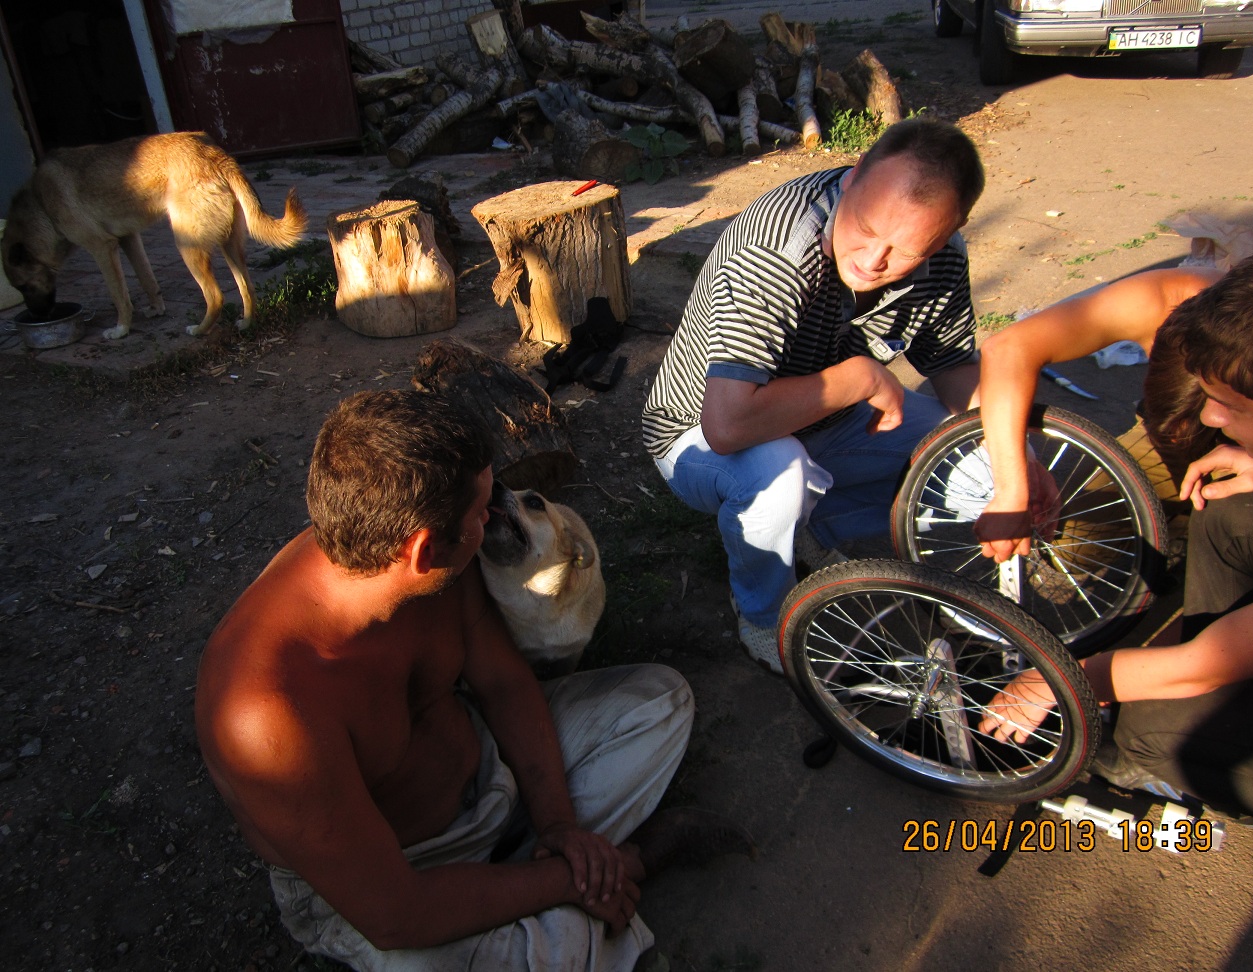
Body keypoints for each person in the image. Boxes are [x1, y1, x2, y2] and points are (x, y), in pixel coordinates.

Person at [195, 389, 722, 972]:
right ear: (422, 550)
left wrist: (558, 825)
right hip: (401, 877)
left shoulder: (417, 555)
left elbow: (504, 687)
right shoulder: (266, 715)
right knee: (488, 952)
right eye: (480, 514)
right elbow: (396, 914)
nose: (490, 519)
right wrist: (567, 878)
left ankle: (547, 883)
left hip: (490, 776)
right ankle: (619, 870)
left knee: (659, 701)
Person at [641, 118, 986, 672]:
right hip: (696, 432)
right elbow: (726, 427)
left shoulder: (944, 257)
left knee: (981, 461)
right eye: (866, 227)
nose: (873, 260)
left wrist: (1009, 458)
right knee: (778, 476)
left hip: (825, 421)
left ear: (947, 233)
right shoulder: (777, 247)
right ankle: (763, 614)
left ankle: (808, 530)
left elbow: (954, 370)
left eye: (905, 250)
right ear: (852, 177)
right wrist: (858, 379)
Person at [979, 234, 1253, 828]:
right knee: (1229, 509)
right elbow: (1009, 347)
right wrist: (1013, 483)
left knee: (1155, 726)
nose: (1212, 417)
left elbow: (1208, 662)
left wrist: (1062, 682)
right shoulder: (1212, 309)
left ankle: (1207, 763)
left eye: (1233, 407)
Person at [972, 265, 1224, 562]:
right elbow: (1008, 349)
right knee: (1071, 546)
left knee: (1240, 543)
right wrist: (1012, 490)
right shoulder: (1178, 296)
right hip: (1171, 437)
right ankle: (1186, 527)